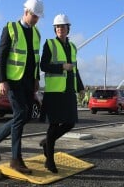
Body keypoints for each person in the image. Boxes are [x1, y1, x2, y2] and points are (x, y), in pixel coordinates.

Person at [0, 0, 44, 174]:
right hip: (13, 81)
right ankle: (15, 159)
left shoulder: (36, 34)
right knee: (20, 114)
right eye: (34, 16)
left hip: (28, 82)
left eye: (38, 17)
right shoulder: (10, 28)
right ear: (26, 12)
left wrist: (36, 79)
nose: (36, 20)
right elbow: (2, 56)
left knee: (26, 115)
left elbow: (36, 58)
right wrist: (2, 80)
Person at [39, 14, 84, 173]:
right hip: (54, 91)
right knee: (53, 125)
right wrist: (61, 67)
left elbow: (75, 69)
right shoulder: (49, 44)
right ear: (54, 29)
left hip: (68, 91)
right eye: (57, 27)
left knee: (70, 122)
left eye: (63, 27)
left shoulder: (72, 47)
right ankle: (50, 161)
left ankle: (46, 142)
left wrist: (80, 87)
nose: (60, 29)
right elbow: (43, 66)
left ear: (68, 29)